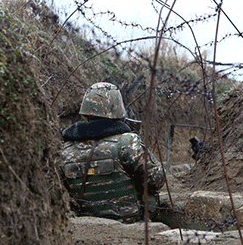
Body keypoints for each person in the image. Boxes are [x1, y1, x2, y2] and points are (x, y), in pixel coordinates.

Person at [61, 82, 165, 223]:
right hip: (129, 222)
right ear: (117, 108)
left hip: (83, 223)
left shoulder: (65, 148)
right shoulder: (127, 142)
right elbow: (156, 180)